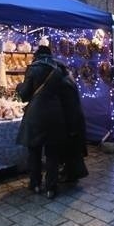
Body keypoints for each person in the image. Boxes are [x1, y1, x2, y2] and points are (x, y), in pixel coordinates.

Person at [16, 45, 70, 199]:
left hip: (36, 115)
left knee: (34, 150)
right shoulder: (59, 70)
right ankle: (51, 188)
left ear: (37, 55)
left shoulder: (33, 68)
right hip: (55, 114)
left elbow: (25, 95)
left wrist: (19, 87)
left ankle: (35, 184)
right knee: (52, 153)